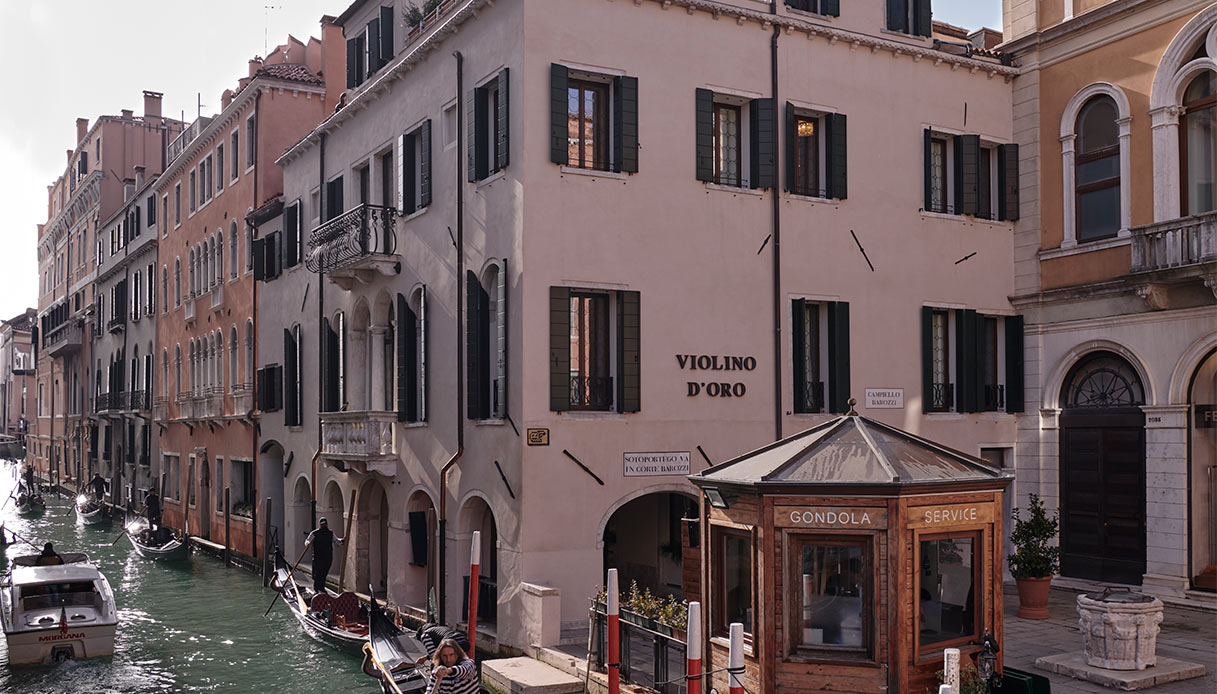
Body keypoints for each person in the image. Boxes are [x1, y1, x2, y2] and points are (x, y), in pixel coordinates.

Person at [304, 518, 343, 594]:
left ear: (327, 524)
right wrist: (307, 543)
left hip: (328, 557)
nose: (324, 526)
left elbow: (337, 541)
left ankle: (321, 588)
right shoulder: (314, 533)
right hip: (318, 557)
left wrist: (343, 541)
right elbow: (307, 540)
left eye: (325, 524)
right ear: (320, 525)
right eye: (322, 524)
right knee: (317, 573)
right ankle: (317, 589)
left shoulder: (331, 533)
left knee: (324, 573)